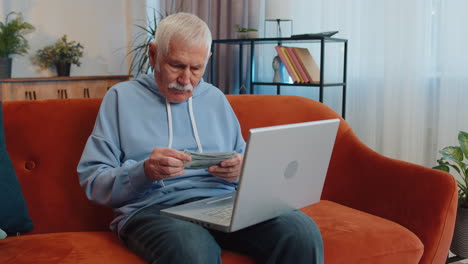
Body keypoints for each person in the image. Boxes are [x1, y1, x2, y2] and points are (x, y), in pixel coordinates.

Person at [77, 12, 323, 264]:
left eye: (196, 68)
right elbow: (93, 180)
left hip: (225, 204)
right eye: (176, 65)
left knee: (299, 232)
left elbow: (250, 166)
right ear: (153, 55)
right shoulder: (120, 98)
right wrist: (144, 171)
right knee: (192, 250)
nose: (186, 80)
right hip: (153, 209)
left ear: (208, 59)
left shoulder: (215, 98)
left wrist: (240, 170)